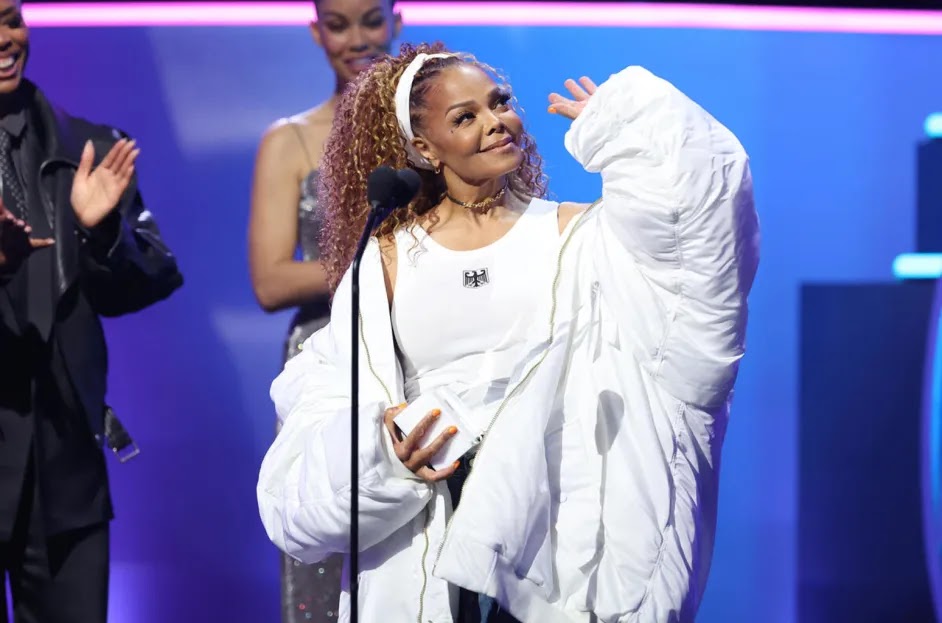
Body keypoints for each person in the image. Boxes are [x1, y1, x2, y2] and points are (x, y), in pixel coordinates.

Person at [257, 41, 759, 623]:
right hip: (432, 531)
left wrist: (635, 128)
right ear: (423, 147)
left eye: (499, 102)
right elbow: (334, 400)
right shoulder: (385, 260)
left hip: (554, 533)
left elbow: (696, 251)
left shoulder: (577, 235)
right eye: (464, 117)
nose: (496, 121)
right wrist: (386, 453)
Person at [0, 0, 183, 621]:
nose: (6, 38)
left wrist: (100, 233)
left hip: (63, 468)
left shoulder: (90, 149)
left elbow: (151, 278)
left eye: (11, 17)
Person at [247, 0, 402, 620]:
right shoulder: (290, 140)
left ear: (396, 21)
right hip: (327, 357)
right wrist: (386, 263)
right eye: (338, 25)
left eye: (371, 20)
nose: (357, 39)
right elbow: (270, 280)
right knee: (325, 531)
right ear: (316, 32)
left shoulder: (432, 126)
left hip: (419, 345)